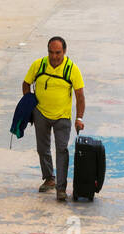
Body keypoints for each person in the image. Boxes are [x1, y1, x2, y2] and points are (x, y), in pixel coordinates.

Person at [22, 36, 86, 202]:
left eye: (58, 53)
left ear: (64, 51)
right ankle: (49, 178)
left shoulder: (72, 69)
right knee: (42, 148)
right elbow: (26, 83)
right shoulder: (39, 64)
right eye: (51, 52)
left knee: (62, 150)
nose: (54, 56)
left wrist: (79, 118)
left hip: (62, 116)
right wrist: (29, 103)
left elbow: (80, 96)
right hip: (41, 113)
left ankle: (61, 188)